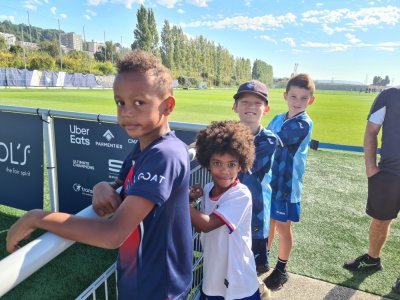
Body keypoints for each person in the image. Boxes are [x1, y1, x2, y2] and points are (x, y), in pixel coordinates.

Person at [6, 50, 193, 300]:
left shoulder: (165, 155)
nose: (126, 111)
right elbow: (120, 185)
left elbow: (113, 234)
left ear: (167, 105)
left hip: (159, 289)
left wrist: (36, 217)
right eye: (120, 102)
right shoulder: (143, 148)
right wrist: (101, 185)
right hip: (138, 282)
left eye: (139, 102)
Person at [189, 120, 261, 300]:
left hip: (239, 282)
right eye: (217, 163)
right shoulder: (206, 190)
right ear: (207, 163)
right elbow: (200, 228)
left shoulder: (241, 195)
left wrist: (175, 200)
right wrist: (189, 199)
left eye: (231, 164)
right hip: (213, 279)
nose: (224, 171)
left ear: (241, 164)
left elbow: (207, 225)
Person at [343, 86, 400, 295]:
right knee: (379, 220)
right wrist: (370, 166)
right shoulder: (390, 95)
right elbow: (371, 131)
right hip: (389, 173)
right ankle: (372, 259)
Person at [264, 73, 315, 290]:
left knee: (283, 227)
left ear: (311, 100)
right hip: (269, 181)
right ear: (286, 96)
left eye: (303, 98)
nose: (297, 102)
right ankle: (262, 258)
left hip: (286, 186)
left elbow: (270, 140)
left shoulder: (303, 123)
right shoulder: (277, 118)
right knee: (269, 222)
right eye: (293, 96)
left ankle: (281, 270)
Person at [232, 80, 278, 274]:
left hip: (255, 213)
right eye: (245, 102)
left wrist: (216, 150)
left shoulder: (268, 140)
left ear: (266, 109)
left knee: (251, 268)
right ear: (235, 106)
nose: (251, 107)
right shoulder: (227, 133)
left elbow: (244, 165)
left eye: (257, 103)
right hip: (229, 208)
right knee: (231, 260)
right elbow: (203, 145)